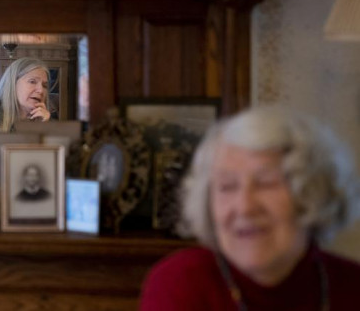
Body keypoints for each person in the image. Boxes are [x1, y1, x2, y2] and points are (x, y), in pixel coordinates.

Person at [139, 105, 360, 310]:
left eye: (266, 183)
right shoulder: (180, 283)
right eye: (227, 186)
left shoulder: (351, 288)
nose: (244, 207)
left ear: (313, 193)